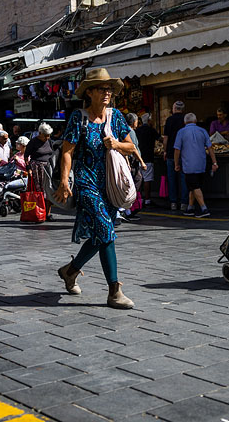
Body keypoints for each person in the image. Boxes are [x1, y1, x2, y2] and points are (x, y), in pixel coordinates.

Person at [54, 68, 136, 309]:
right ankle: (114, 291)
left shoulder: (116, 117)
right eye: (102, 88)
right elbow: (67, 151)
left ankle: (70, 270)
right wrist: (64, 181)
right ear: (89, 92)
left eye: (109, 88)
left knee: (102, 233)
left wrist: (117, 143)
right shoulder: (78, 118)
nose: (107, 92)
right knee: (105, 228)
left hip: (110, 184)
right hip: (86, 181)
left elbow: (131, 147)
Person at [174, 113, 218, 217]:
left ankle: (204, 209)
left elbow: (177, 150)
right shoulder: (203, 131)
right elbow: (210, 148)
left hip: (189, 165)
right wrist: (214, 162)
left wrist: (176, 163)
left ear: (185, 122)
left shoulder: (181, 132)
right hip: (201, 164)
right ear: (195, 121)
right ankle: (190, 208)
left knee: (195, 186)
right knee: (193, 187)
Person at [25, 123, 54, 221]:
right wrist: (28, 168)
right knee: (40, 190)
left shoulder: (49, 141)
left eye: (49, 135)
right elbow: (26, 156)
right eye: (45, 135)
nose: (47, 137)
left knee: (49, 190)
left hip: (47, 167)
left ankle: (48, 213)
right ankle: (40, 212)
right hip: (37, 168)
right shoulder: (33, 142)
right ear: (40, 133)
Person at [163, 100, 188, 211]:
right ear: (182, 109)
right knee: (183, 179)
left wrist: (164, 151)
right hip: (184, 153)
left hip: (170, 153)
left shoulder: (169, 120)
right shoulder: (185, 120)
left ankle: (173, 202)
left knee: (171, 179)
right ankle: (184, 203)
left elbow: (166, 138)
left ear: (174, 109)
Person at [122, 112, 146, 221]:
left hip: (130, 162)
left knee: (134, 182)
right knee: (135, 182)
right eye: (137, 121)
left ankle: (128, 208)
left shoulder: (127, 131)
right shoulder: (130, 132)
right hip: (132, 163)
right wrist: (142, 161)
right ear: (134, 122)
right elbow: (132, 148)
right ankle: (127, 208)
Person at [136, 113, 161, 207]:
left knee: (139, 179)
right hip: (148, 157)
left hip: (138, 157)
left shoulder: (137, 131)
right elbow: (160, 139)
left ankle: (139, 198)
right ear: (149, 121)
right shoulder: (151, 130)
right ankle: (147, 199)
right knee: (147, 179)